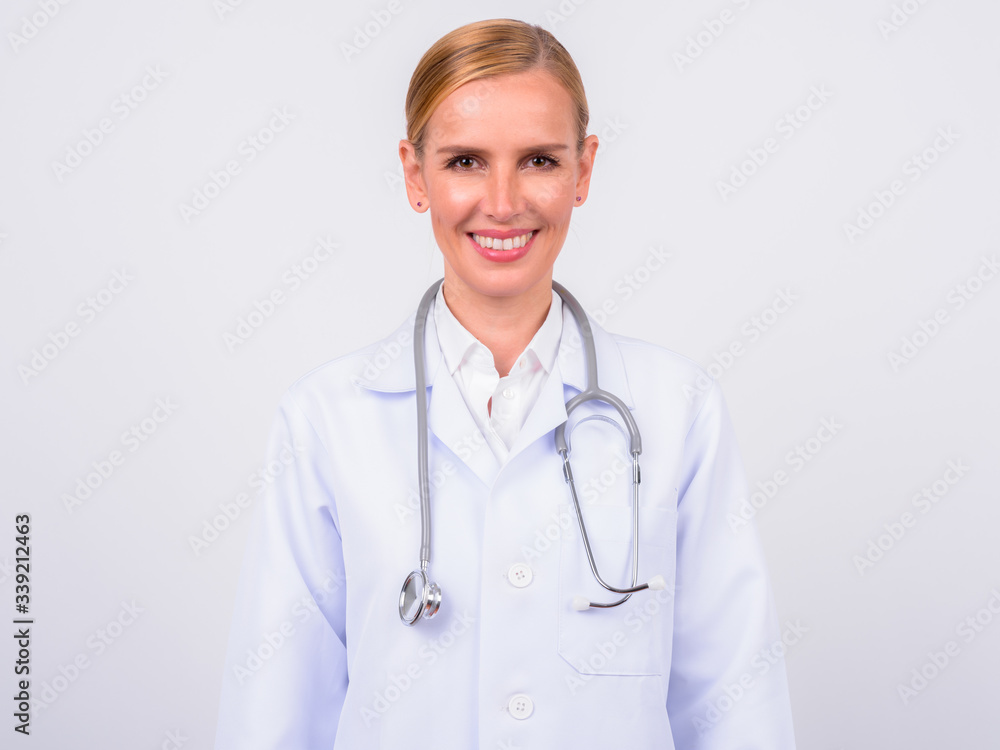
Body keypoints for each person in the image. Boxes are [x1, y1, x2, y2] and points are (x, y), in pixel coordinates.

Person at [214, 18, 796, 749]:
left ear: (583, 171)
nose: (501, 201)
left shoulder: (677, 411)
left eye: (539, 162)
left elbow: (736, 702)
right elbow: (275, 711)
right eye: (463, 161)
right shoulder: (326, 419)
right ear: (413, 173)